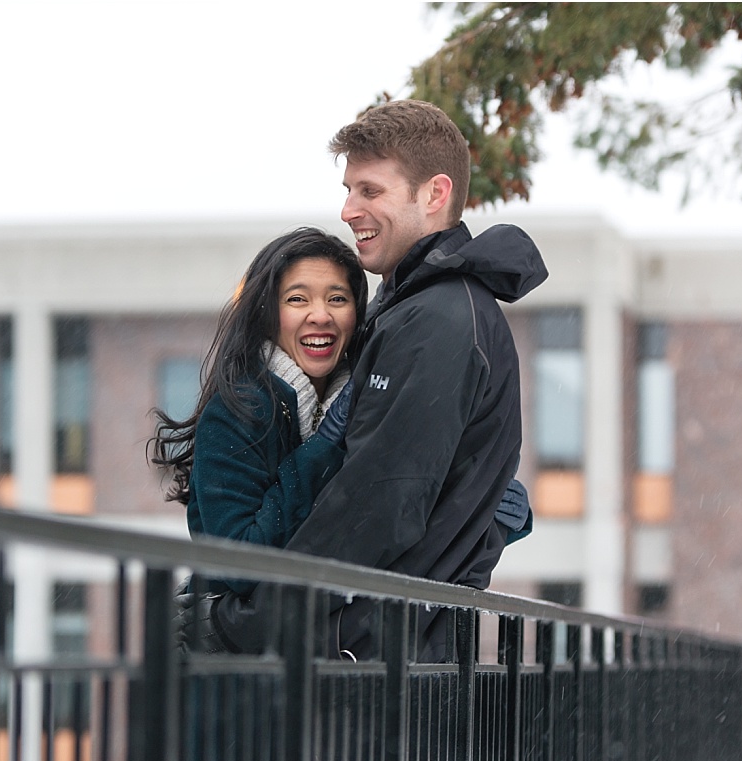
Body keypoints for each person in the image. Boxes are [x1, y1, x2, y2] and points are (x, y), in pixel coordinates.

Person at [184, 99, 548, 663]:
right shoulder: (419, 309)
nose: (349, 209)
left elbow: (377, 505)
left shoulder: (437, 320)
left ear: (434, 194)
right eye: (348, 190)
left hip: (371, 661)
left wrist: (247, 624)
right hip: (390, 649)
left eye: (370, 191)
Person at [149, 226, 368, 597]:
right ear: (267, 314)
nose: (321, 315)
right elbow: (243, 562)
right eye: (297, 300)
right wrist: (324, 446)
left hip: (327, 645)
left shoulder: (363, 409)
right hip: (240, 649)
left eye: (337, 299)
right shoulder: (235, 412)